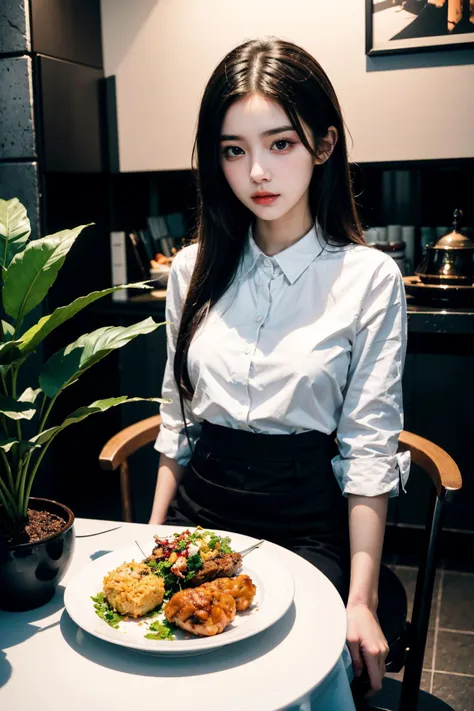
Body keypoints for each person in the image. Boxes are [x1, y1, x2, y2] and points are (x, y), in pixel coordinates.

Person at [149, 36, 410, 699]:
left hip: (304, 518)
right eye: (234, 150)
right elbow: (177, 424)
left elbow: (369, 451)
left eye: (280, 143)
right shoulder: (191, 268)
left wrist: (361, 597)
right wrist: (148, 540)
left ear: (323, 145)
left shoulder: (369, 278)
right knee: (158, 667)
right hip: (200, 508)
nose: (257, 172)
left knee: (275, 675)